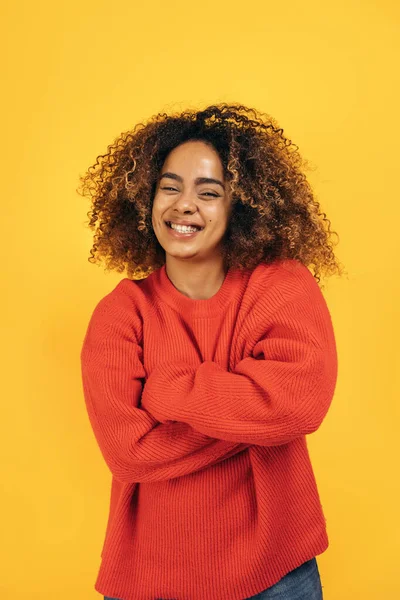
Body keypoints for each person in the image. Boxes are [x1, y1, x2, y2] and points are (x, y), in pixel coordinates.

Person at [78, 103, 345, 600]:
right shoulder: (120, 314)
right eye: (169, 186)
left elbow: (299, 405)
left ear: (239, 206)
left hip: (276, 574)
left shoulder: (280, 285)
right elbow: (130, 454)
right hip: (150, 578)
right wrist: (253, 419)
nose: (184, 204)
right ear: (145, 199)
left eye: (209, 192)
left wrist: (171, 392)